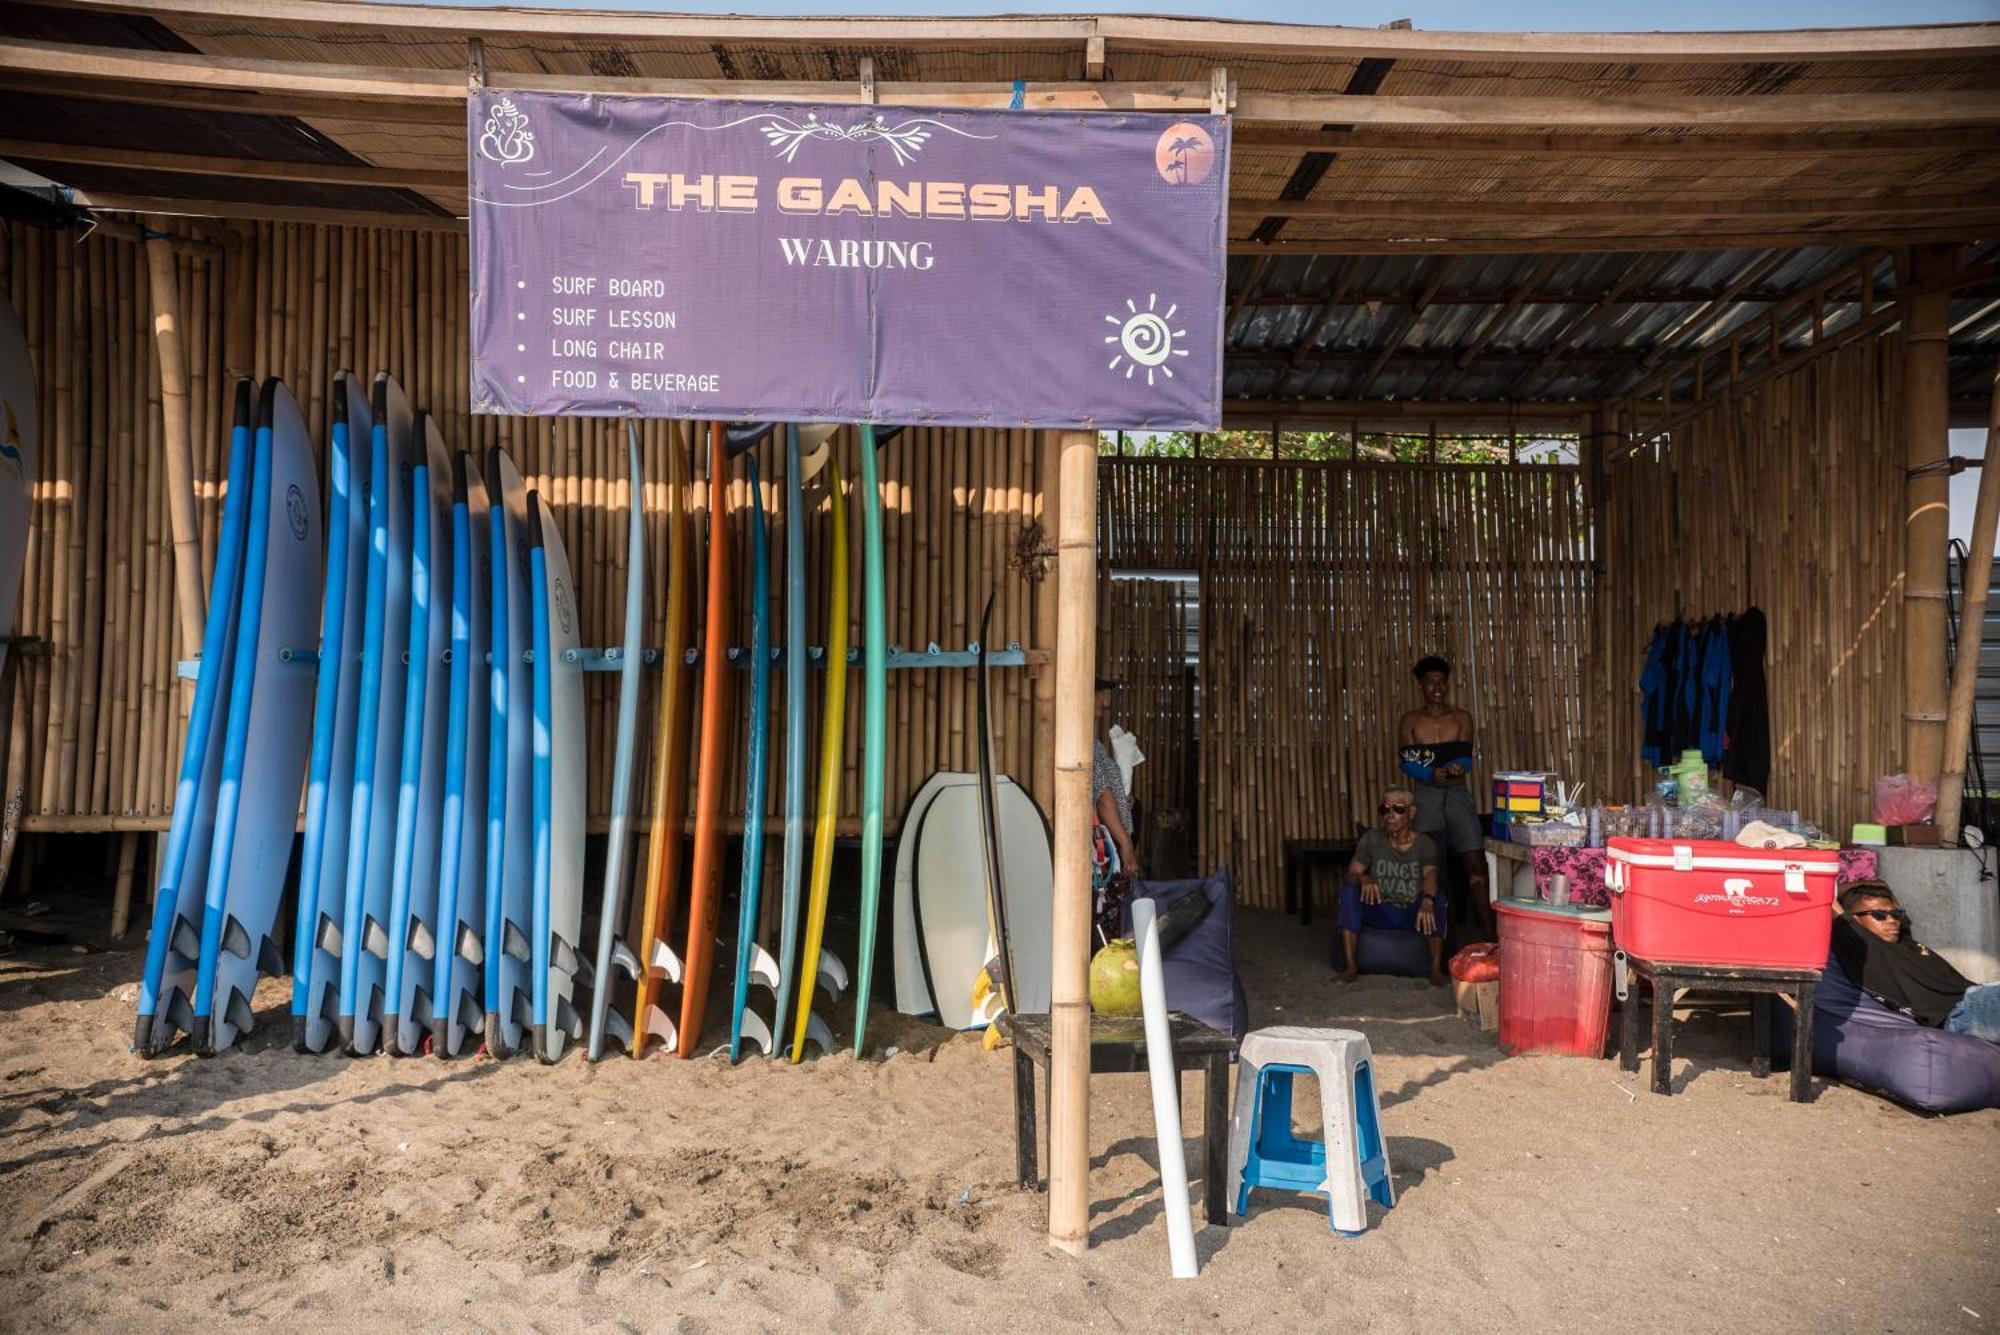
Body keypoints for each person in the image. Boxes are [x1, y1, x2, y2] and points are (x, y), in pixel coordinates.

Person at [1832, 880, 2000, 1042]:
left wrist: (1863, 885)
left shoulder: (1904, 940)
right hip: (1961, 1012)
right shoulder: (1865, 946)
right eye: (1879, 915)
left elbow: (1882, 884)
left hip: (1979, 997)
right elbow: (1828, 901)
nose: (1891, 920)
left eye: (1895, 914)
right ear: (1853, 919)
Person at [1398, 655, 1492, 937]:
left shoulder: (1462, 717)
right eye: (1430, 682)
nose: (1437, 687)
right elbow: (1406, 761)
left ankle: (1490, 936)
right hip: (1426, 794)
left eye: (1441, 682)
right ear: (1420, 685)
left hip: (1457, 794)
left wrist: (1454, 768)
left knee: (1475, 863)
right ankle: (1441, 937)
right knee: (1430, 865)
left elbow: (1465, 759)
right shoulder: (1410, 720)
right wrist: (1429, 775)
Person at [1337, 786, 1446, 987]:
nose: (1390, 815)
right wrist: (1365, 879)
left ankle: (1435, 969)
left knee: (1438, 897)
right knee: (1349, 889)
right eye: (1385, 809)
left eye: (1398, 809)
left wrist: (1428, 901)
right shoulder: (1371, 839)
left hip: (1411, 912)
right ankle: (1351, 966)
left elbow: (1430, 875)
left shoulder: (1425, 844)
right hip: (1380, 908)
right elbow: (1351, 873)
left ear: (1411, 812)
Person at [1091, 677, 1141, 938]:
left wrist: (1124, 797)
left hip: (1107, 841)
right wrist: (1126, 846)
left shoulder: (1092, 742)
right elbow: (1101, 797)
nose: (1103, 700)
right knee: (1106, 922)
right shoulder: (1082, 745)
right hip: (1102, 848)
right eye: (1098, 693)